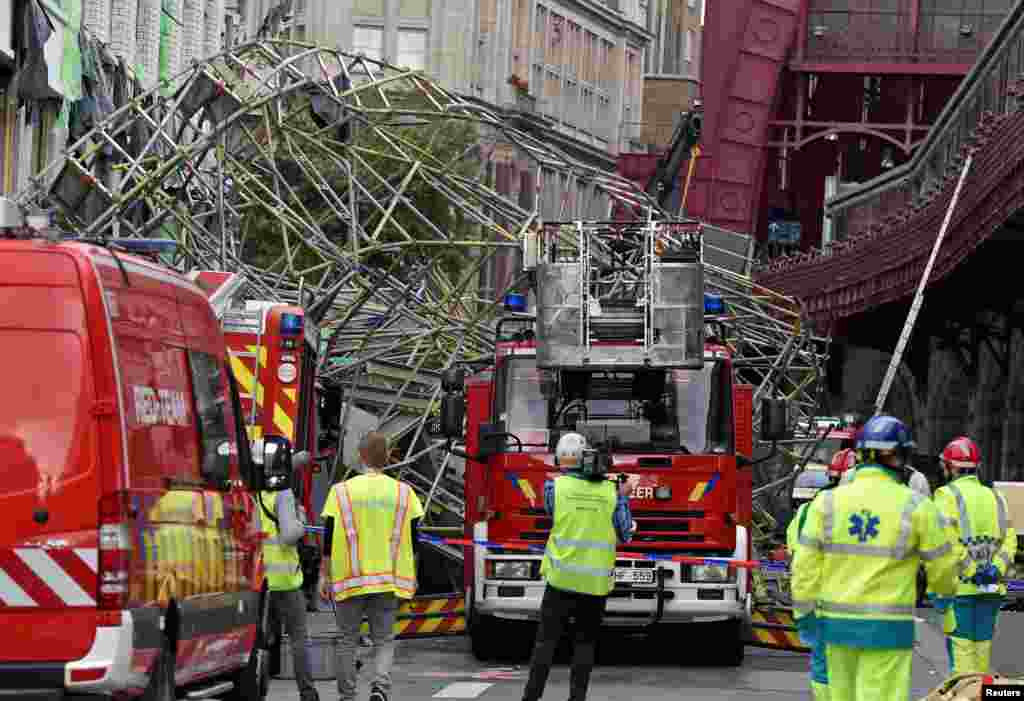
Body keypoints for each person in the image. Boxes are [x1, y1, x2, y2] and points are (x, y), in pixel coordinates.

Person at [791, 415, 957, 701]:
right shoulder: (916, 505)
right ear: (899, 456)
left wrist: (804, 615)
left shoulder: (826, 503)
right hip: (888, 629)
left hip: (836, 627)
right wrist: (943, 596)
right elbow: (942, 565)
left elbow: (804, 568)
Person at [521, 432, 635, 701]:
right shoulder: (611, 491)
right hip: (594, 586)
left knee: (545, 644)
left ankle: (531, 697)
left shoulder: (555, 488)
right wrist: (622, 495)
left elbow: (555, 514)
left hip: (560, 580)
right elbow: (626, 534)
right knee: (584, 645)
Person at [319, 432, 424, 701]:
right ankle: (379, 687)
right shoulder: (404, 493)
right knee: (384, 639)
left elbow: (328, 536)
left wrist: (324, 574)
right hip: (388, 580)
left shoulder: (340, 492)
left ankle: (347, 696)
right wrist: (413, 575)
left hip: (350, 577)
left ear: (361, 456)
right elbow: (415, 539)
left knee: (347, 639)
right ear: (387, 457)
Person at [930, 436, 1018, 676]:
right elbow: (1010, 540)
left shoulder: (945, 495)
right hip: (991, 591)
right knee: (982, 653)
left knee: (962, 657)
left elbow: (946, 543)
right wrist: (995, 570)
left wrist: (972, 571)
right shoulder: (996, 496)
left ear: (952, 467)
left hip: (961, 591)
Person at [786, 448, 855, 701]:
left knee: (824, 667)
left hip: (821, 603)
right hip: (863, 606)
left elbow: (798, 559)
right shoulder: (868, 511)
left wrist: (803, 612)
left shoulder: (810, 510)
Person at [255, 450, 319, 701]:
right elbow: (289, 536)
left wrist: (299, 459)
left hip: (260, 580)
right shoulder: (282, 495)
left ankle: (258, 687)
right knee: (298, 638)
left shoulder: (255, 493)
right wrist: (301, 520)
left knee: (260, 638)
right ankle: (308, 693)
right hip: (286, 580)